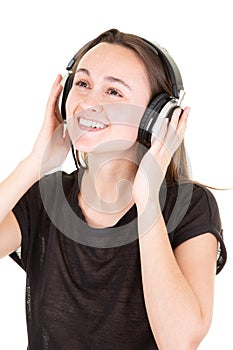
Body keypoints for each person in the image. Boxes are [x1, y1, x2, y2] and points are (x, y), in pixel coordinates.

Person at [0, 28, 227, 350]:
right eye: (82, 84)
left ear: (156, 117)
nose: (88, 103)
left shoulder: (189, 207)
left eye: (114, 92)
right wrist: (34, 164)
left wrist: (147, 200)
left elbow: (178, 341)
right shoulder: (45, 197)